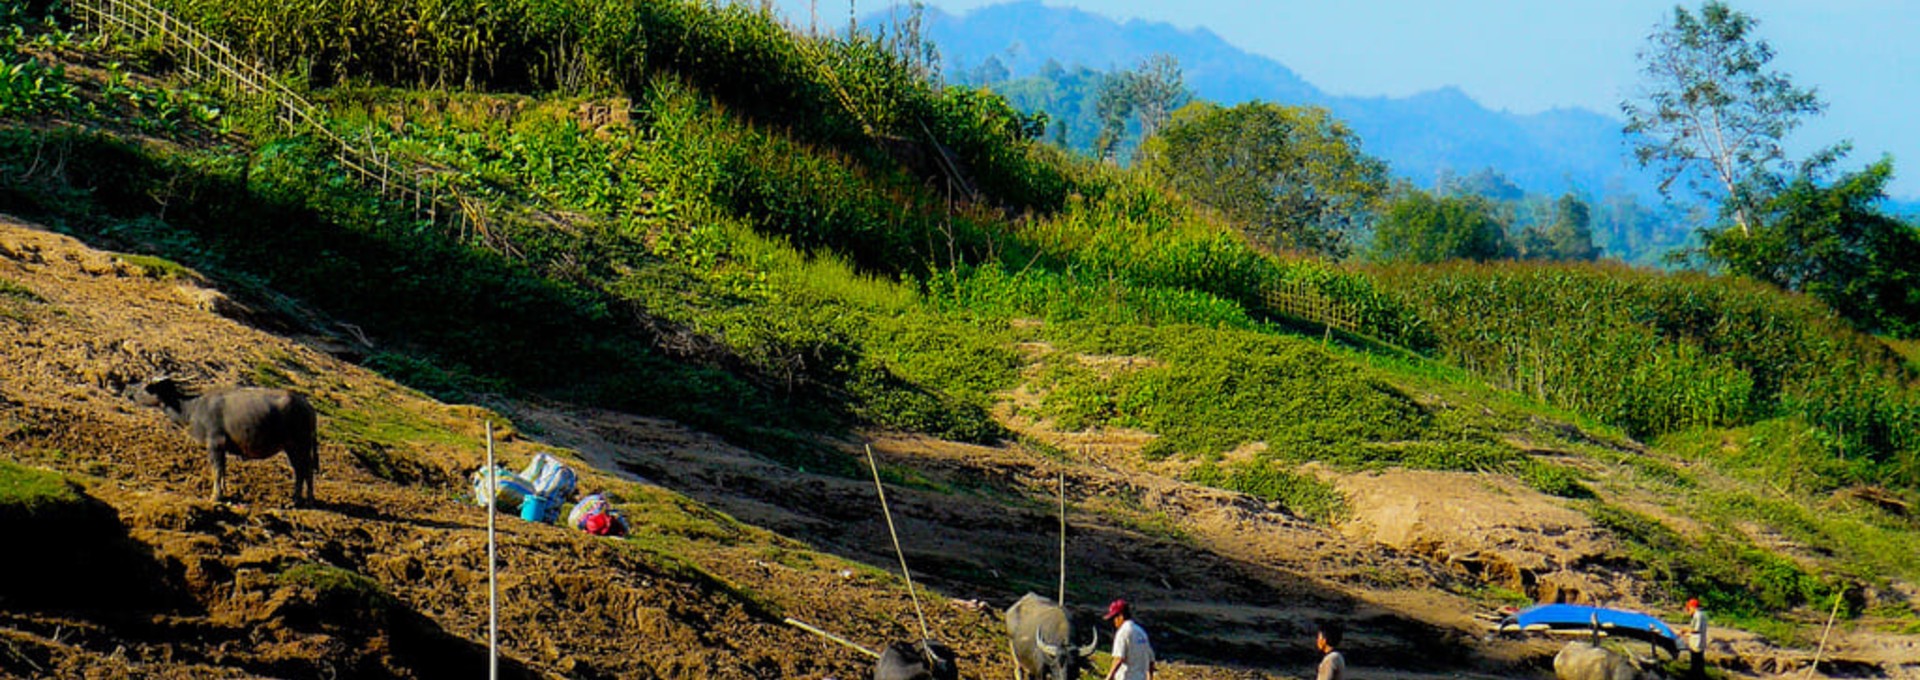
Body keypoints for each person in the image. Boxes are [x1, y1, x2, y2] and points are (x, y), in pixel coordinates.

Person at [1102, 598, 1154, 680]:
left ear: (1120, 616)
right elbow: (1151, 660)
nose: (1114, 622)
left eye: (1114, 618)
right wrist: (1150, 677)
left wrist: (1109, 676)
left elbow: (1119, 658)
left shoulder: (1123, 632)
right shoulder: (1141, 632)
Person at [1677, 598, 1708, 678]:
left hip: (1697, 643)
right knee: (1698, 660)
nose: (1688, 611)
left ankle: (1695, 675)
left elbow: (1696, 629)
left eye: (1689, 608)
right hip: (1699, 641)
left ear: (1693, 607)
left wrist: (1684, 630)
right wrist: (1686, 634)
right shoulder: (1702, 614)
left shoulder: (1698, 615)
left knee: (1696, 660)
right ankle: (1697, 674)